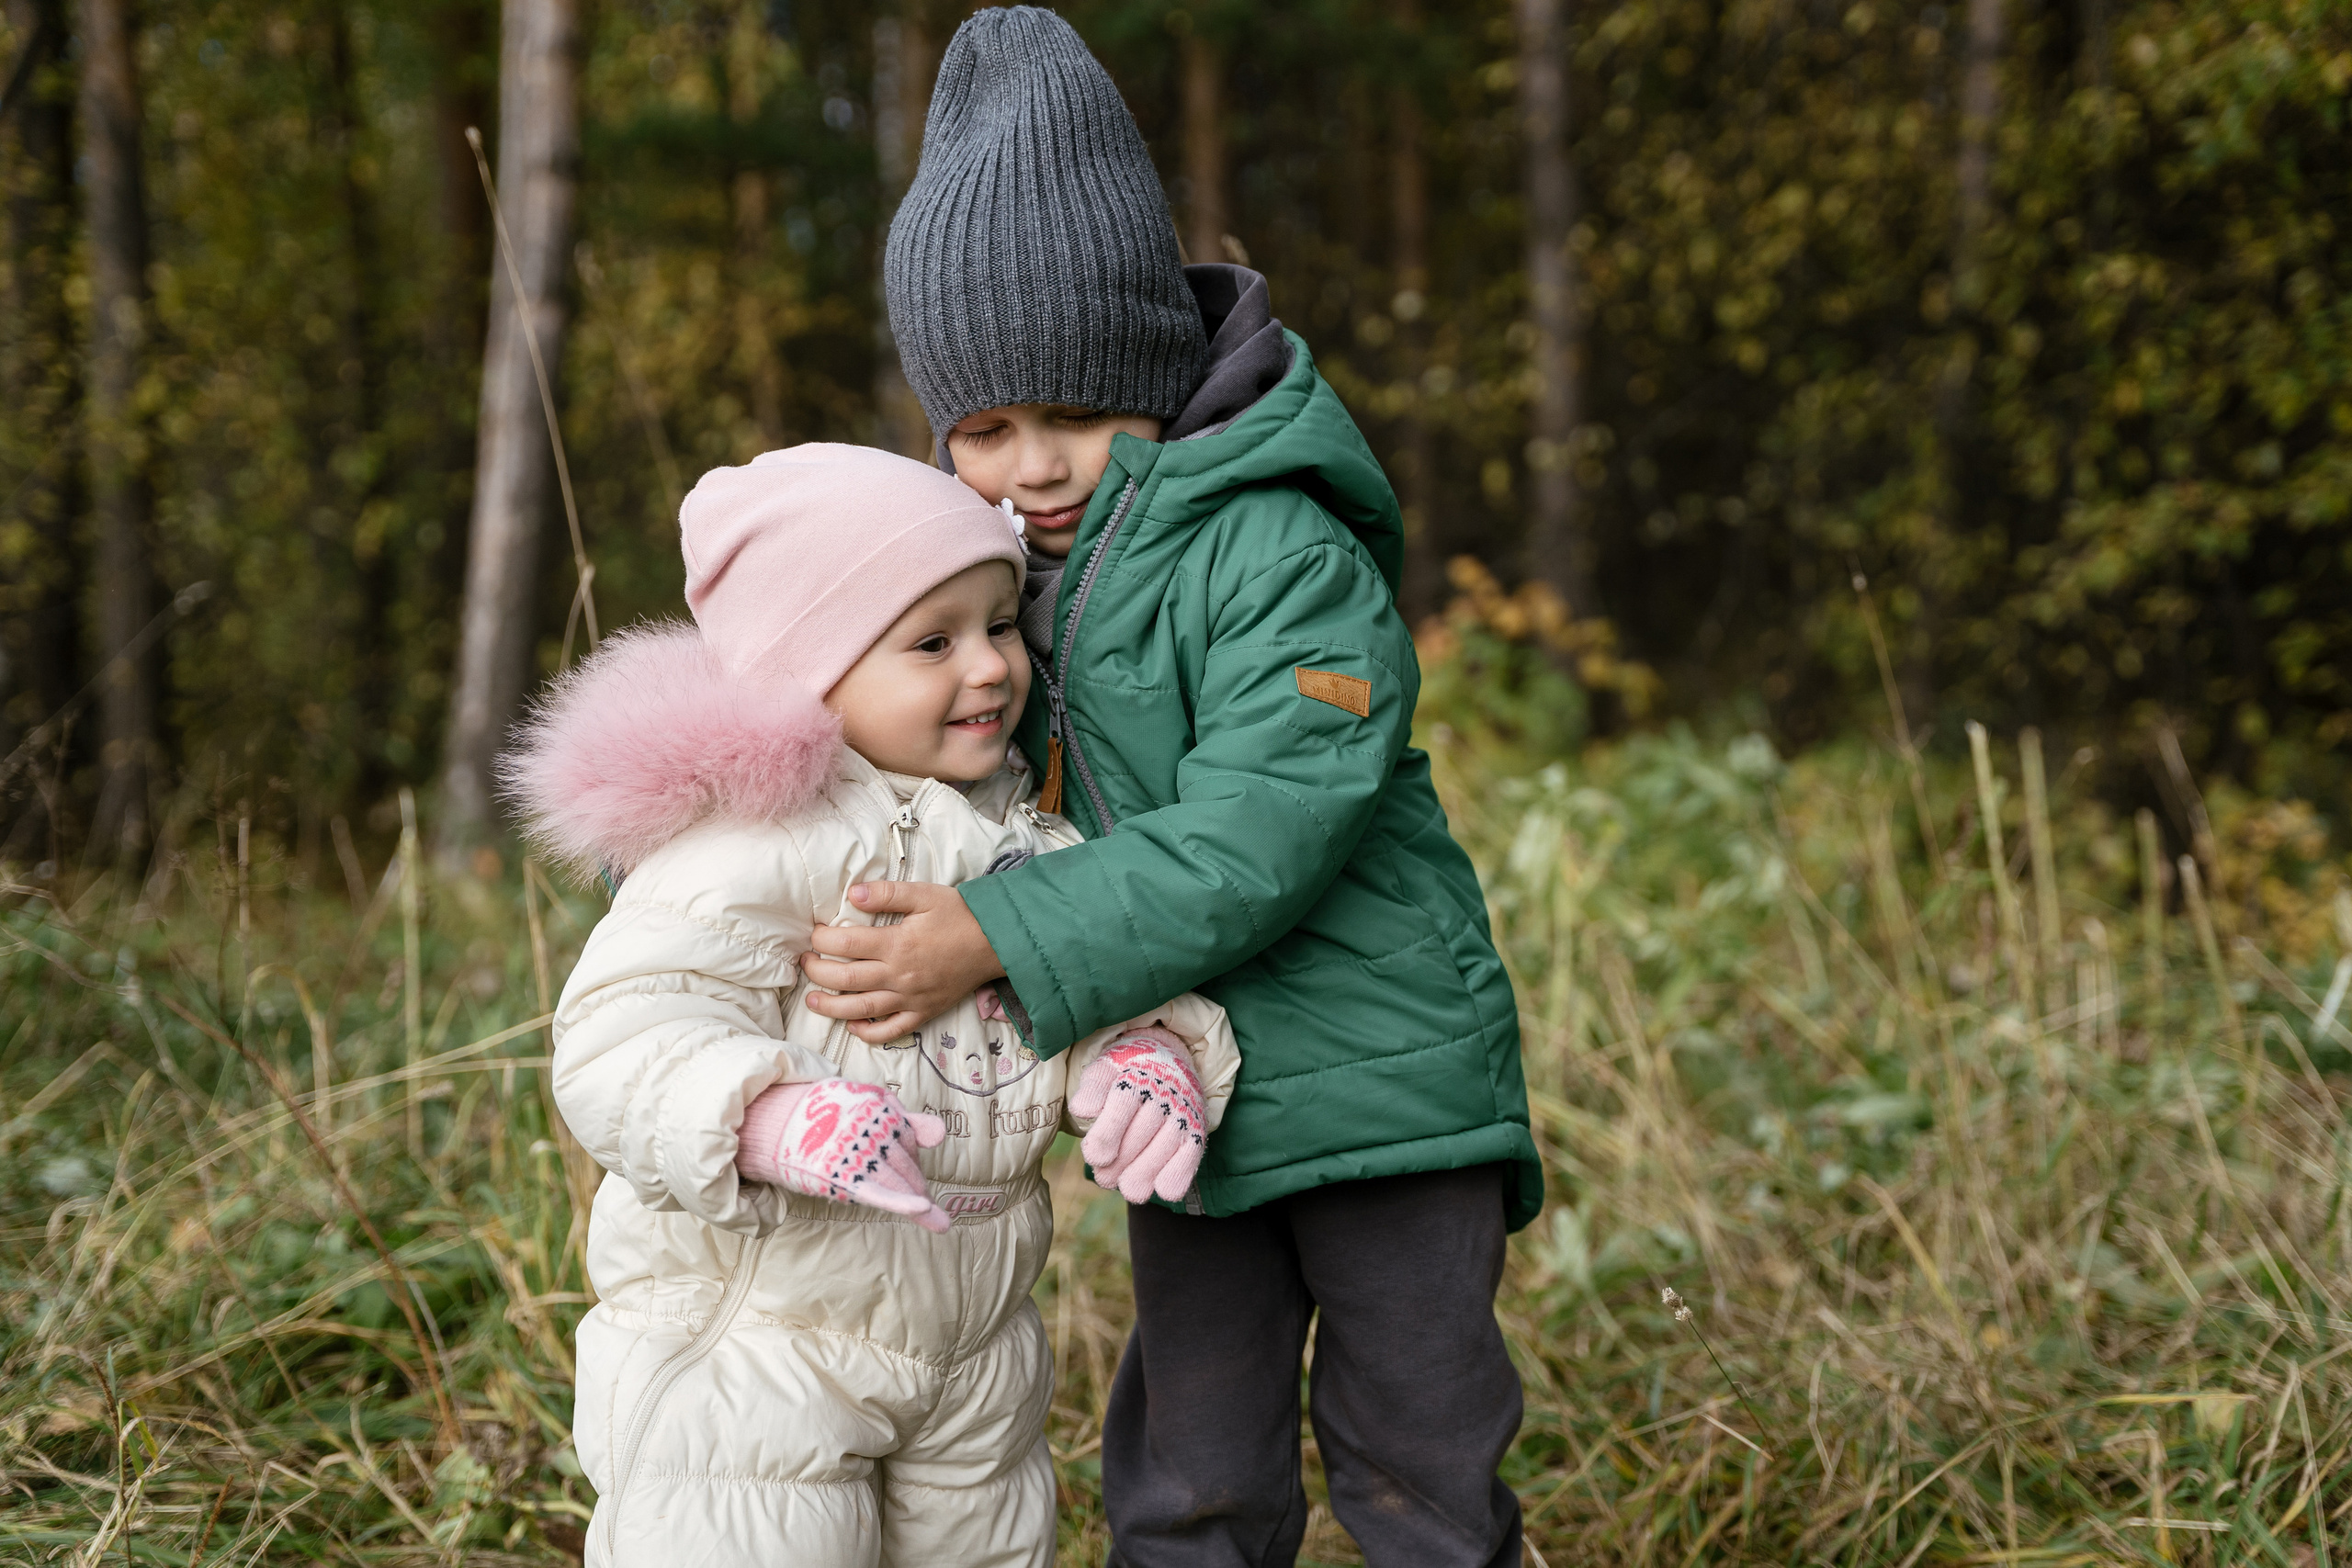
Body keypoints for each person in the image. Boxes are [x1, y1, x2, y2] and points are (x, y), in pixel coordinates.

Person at [798, 10, 1543, 1566]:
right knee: (1191, 1463)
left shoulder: (1278, 547)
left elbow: (1264, 829)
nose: (1029, 467)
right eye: (982, 429)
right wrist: (728, 824)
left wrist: (1003, 936)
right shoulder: (1009, 579)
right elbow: (911, 730)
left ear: (1152, 368)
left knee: (1417, 1454)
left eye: (1072, 413)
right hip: (1188, 1092)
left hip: (1385, 1086)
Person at [503, 443, 1238, 1568]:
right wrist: (762, 1115)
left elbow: (1087, 970)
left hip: (973, 1349)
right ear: (813, 670)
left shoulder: (1023, 834)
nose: (990, 668)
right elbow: (622, 1033)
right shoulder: (752, 841)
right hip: (755, 1346)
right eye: (932, 642)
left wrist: (1148, 1057)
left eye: (1001, 625)